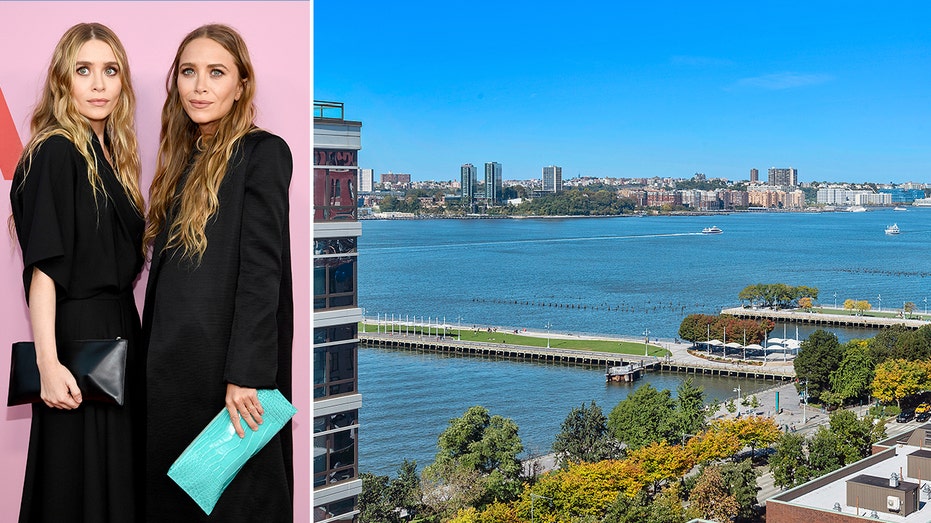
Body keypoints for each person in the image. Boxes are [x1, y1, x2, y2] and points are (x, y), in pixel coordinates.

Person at [142, 24, 293, 521]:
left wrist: (246, 374)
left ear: (240, 84)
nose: (200, 86)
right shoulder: (182, 161)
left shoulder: (263, 152)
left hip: (227, 378)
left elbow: (262, 269)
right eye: (189, 72)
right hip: (169, 369)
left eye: (216, 72)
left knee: (236, 503)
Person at [8, 23, 145, 522]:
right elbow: (43, 268)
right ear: (62, 80)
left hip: (119, 335)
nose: (98, 84)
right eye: (83, 70)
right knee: (78, 486)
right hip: (78, 343)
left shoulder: (106, 154)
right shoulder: (56, 150)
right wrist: (47, 362)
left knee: (111, 487)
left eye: (110, 71)